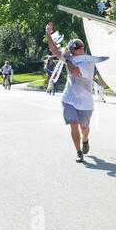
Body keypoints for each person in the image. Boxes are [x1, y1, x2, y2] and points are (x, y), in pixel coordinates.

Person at [46, 22, 95, 162]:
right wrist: (48, 34)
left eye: (81, 47)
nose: (81, 49)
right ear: (72, 50)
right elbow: (54, 51)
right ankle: (79, 151)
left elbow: (74, 72)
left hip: (85, 102)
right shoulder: (69, 58)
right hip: (69, 99)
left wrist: (66, 59)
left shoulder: (88, 62)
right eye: (77, 48)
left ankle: (85, 139)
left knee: (84, 128)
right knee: (73, 125)